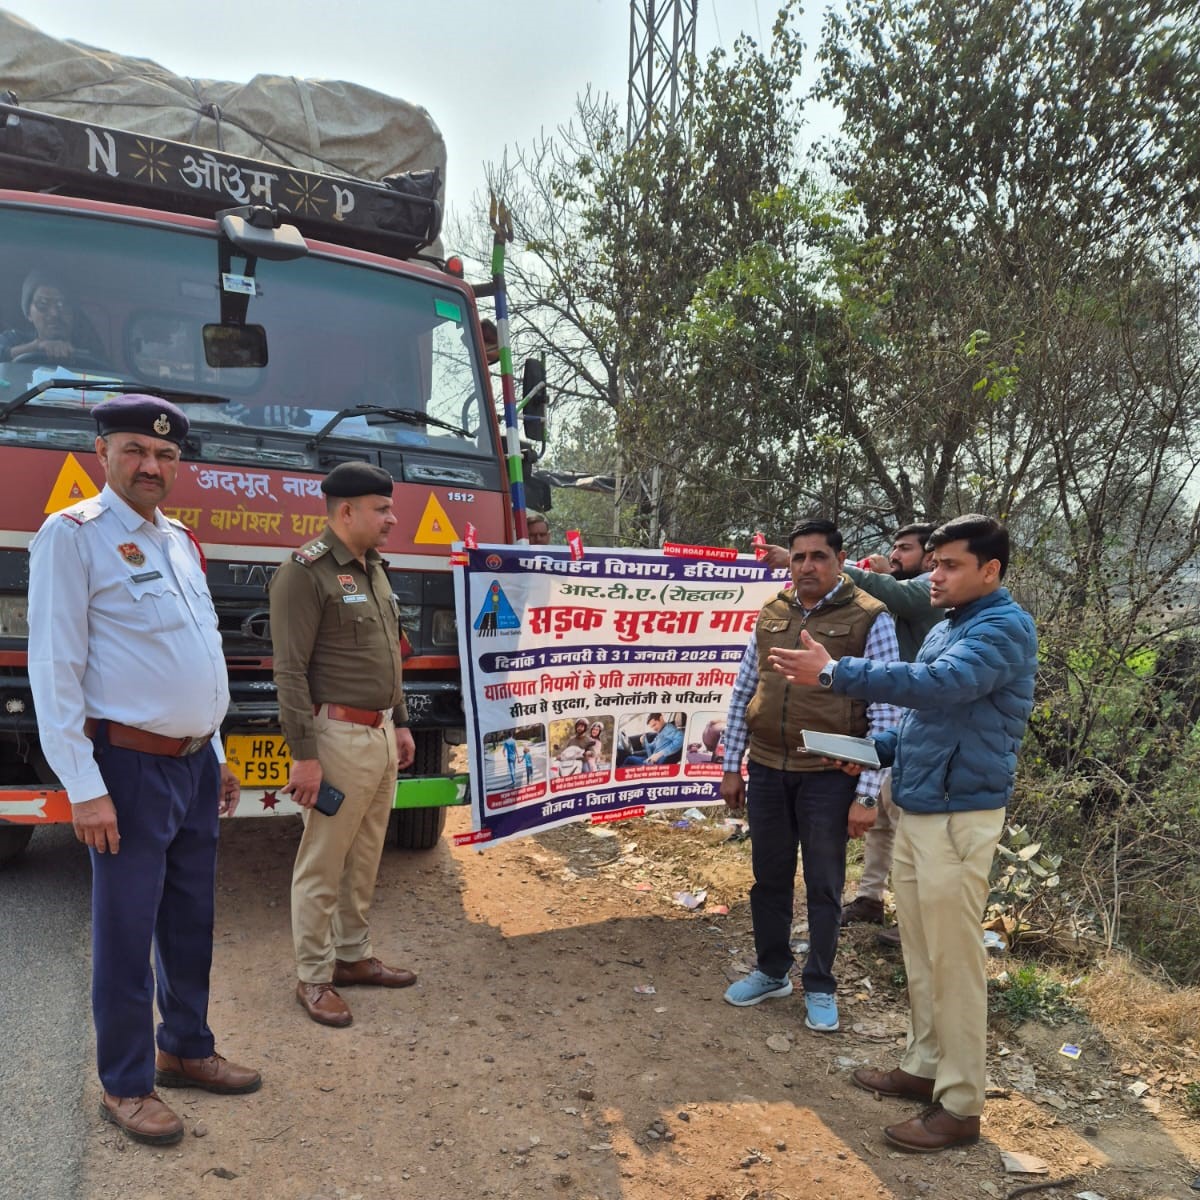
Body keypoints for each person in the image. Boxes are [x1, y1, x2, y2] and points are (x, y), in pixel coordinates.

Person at [27, 395, 260, 1146]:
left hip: (193, 767)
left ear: (178, 464)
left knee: (191, 920)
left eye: (165, 456)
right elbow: (54, 672)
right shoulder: (73, 538)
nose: (151, 465)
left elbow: (198, 657)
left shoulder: (183, 543)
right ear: (103, 454)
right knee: (127, 931)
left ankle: (185, 1047)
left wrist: (218, 753)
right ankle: (124, 1084)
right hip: (124, 767)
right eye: (135, 450)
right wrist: (83, 787)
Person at [767, 514, 1037, 1152]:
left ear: (990, 570)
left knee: (955, 961)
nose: (933, 575)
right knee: (921, 950)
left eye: (949, 566)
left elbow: (939, 688)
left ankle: (962, 1104)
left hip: (957, 817)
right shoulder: (949, 626)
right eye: (934, 563)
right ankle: (923, 1068)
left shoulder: (1003, 628)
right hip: (921, 806)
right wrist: (869, 749)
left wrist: (836, 673)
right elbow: (925, 723)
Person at [720, 519, 901, 1034]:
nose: (806, 567)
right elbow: (744, 692)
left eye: (818, 556)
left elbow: (886, 711)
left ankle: (819, 983)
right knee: (768, 878)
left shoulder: (870, 617)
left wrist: (866, 794)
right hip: (768, 771)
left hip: (829, 775)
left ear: (840, 560)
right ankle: (772, 970)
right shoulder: (772, 613)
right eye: (798, 557)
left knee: (824, 885)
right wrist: (731, 765)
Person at [268, 461, 418, 1029]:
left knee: (366, 855)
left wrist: (400, 722)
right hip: (335, 739)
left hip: (379, 735)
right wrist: (304, 756)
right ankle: (313, 976)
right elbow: (289, 673)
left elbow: (390, 656)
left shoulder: (374, 569)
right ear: (346, 511)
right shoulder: (304, 574)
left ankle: (352, 956)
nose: (391, 519)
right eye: (381, 509)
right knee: (323, 861)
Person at [839, 523, 942, 931]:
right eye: (893, 548)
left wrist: (858, 568)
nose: (895, 555)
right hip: (890, 725)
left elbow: (892, 591)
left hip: (916, 728)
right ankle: (870, 898)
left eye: (904, 549)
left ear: (929, 558)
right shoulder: (905, 593)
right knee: (880, 818)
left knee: (905, 821)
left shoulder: (928, 589)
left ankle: (914, 918)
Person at [0, 270, 106, 364]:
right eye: (43, 304)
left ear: (73, 313)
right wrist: (36, 347)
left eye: (62, 305)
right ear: (28, 313)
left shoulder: (91, 351)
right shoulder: (13, 339)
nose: (54, 313)